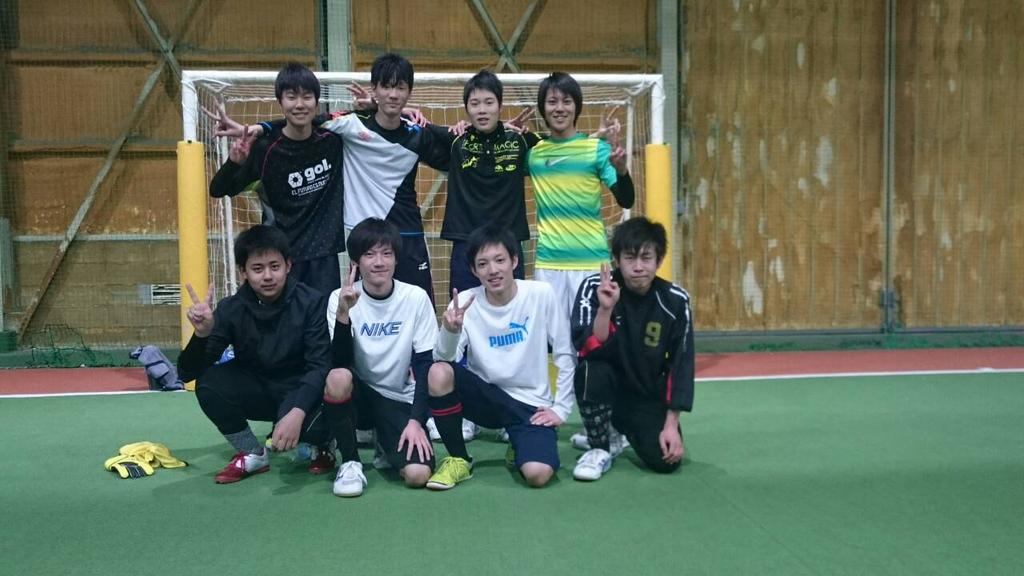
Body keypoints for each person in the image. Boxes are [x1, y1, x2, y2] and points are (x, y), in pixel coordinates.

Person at [221, 53, 449, 303]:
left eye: (400, 88)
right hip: (363, 238)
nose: (393, 94)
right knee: (361, 312)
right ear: (374, 89)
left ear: (409, 92)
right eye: (386, 87)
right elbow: (303, 118)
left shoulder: (418, 134)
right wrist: (260, 127)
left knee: (418, 304)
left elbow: (454, 153)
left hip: (409, 234)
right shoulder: (350, 124)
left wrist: (467, 129)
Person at [178, 225, 344, 487]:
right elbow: (187, 373)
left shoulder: (311, 302)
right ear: (243, 272)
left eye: (274, 266)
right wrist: (202, 335)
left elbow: (319, 366)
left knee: (321, 416)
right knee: (209, 384)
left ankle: (322, 444)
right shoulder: (231, 308)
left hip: (301, 389)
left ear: (288, 265)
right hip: (258, 388)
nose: (268, 276)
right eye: (257, 268)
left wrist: (297, 412)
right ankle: (252, 453)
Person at [424, 224, 574, 490]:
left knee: (538, 474)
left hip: (529, 403)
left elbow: (564, 351)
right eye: (483, 264)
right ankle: (459, 459)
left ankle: (519, 444)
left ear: (514, 261)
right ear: (474, 271)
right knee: (438, 373)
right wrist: (450, 330)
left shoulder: (541, 294)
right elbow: (444, 358)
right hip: (486, 398)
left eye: (500, 260)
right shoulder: (465, 302)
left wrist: (560, 408)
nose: (492, 270)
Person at [569, 217, 694, 481]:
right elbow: (587, 349)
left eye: (646, 258)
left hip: (645, 394)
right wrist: (606, 308)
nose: (638, 267)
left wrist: (671, 425)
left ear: (659, 260)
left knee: (665, 461)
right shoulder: (595, 287)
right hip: (608, 385)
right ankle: (599, 445)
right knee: (590, 371)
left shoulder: (675, 301)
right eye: (630, 258)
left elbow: (681, 364)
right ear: (616, 260)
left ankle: (618, 430)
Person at [208, 63, 345, 295]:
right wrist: (234, 162)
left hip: (324, 258)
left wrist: (262, 126)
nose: (299, 104)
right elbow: (218, 189)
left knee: (325, 318)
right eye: (291, 97)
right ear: (280, 102)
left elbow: (367, 115)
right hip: (280, 260)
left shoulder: (333, 140)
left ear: (316, 101)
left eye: (307, 97)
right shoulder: (265, 149)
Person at [324, 218, 437, 496]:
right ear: (356, 262)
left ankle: (385, 443)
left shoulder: (415, 297)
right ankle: (350, 462)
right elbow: (340, 361)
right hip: (359, 396)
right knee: (337, 378)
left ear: (396, 259)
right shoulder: (339, 297)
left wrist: (416, 421)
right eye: (369, 254)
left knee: (418, 475)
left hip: (398, 399)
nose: (378, 262)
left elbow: (425, 366)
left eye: (386, 253)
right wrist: (344, 313)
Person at [528, 72, 635, 317]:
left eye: (567, 101)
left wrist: (622, 171)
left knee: (593, 335)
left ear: (576, 107)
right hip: (549, 265)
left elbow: (626, 199)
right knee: (552, 337)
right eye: (552, 102)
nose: (559, 108)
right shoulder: (534, 154)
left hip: (592, 263)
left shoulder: (597, 150)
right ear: (543, 108)